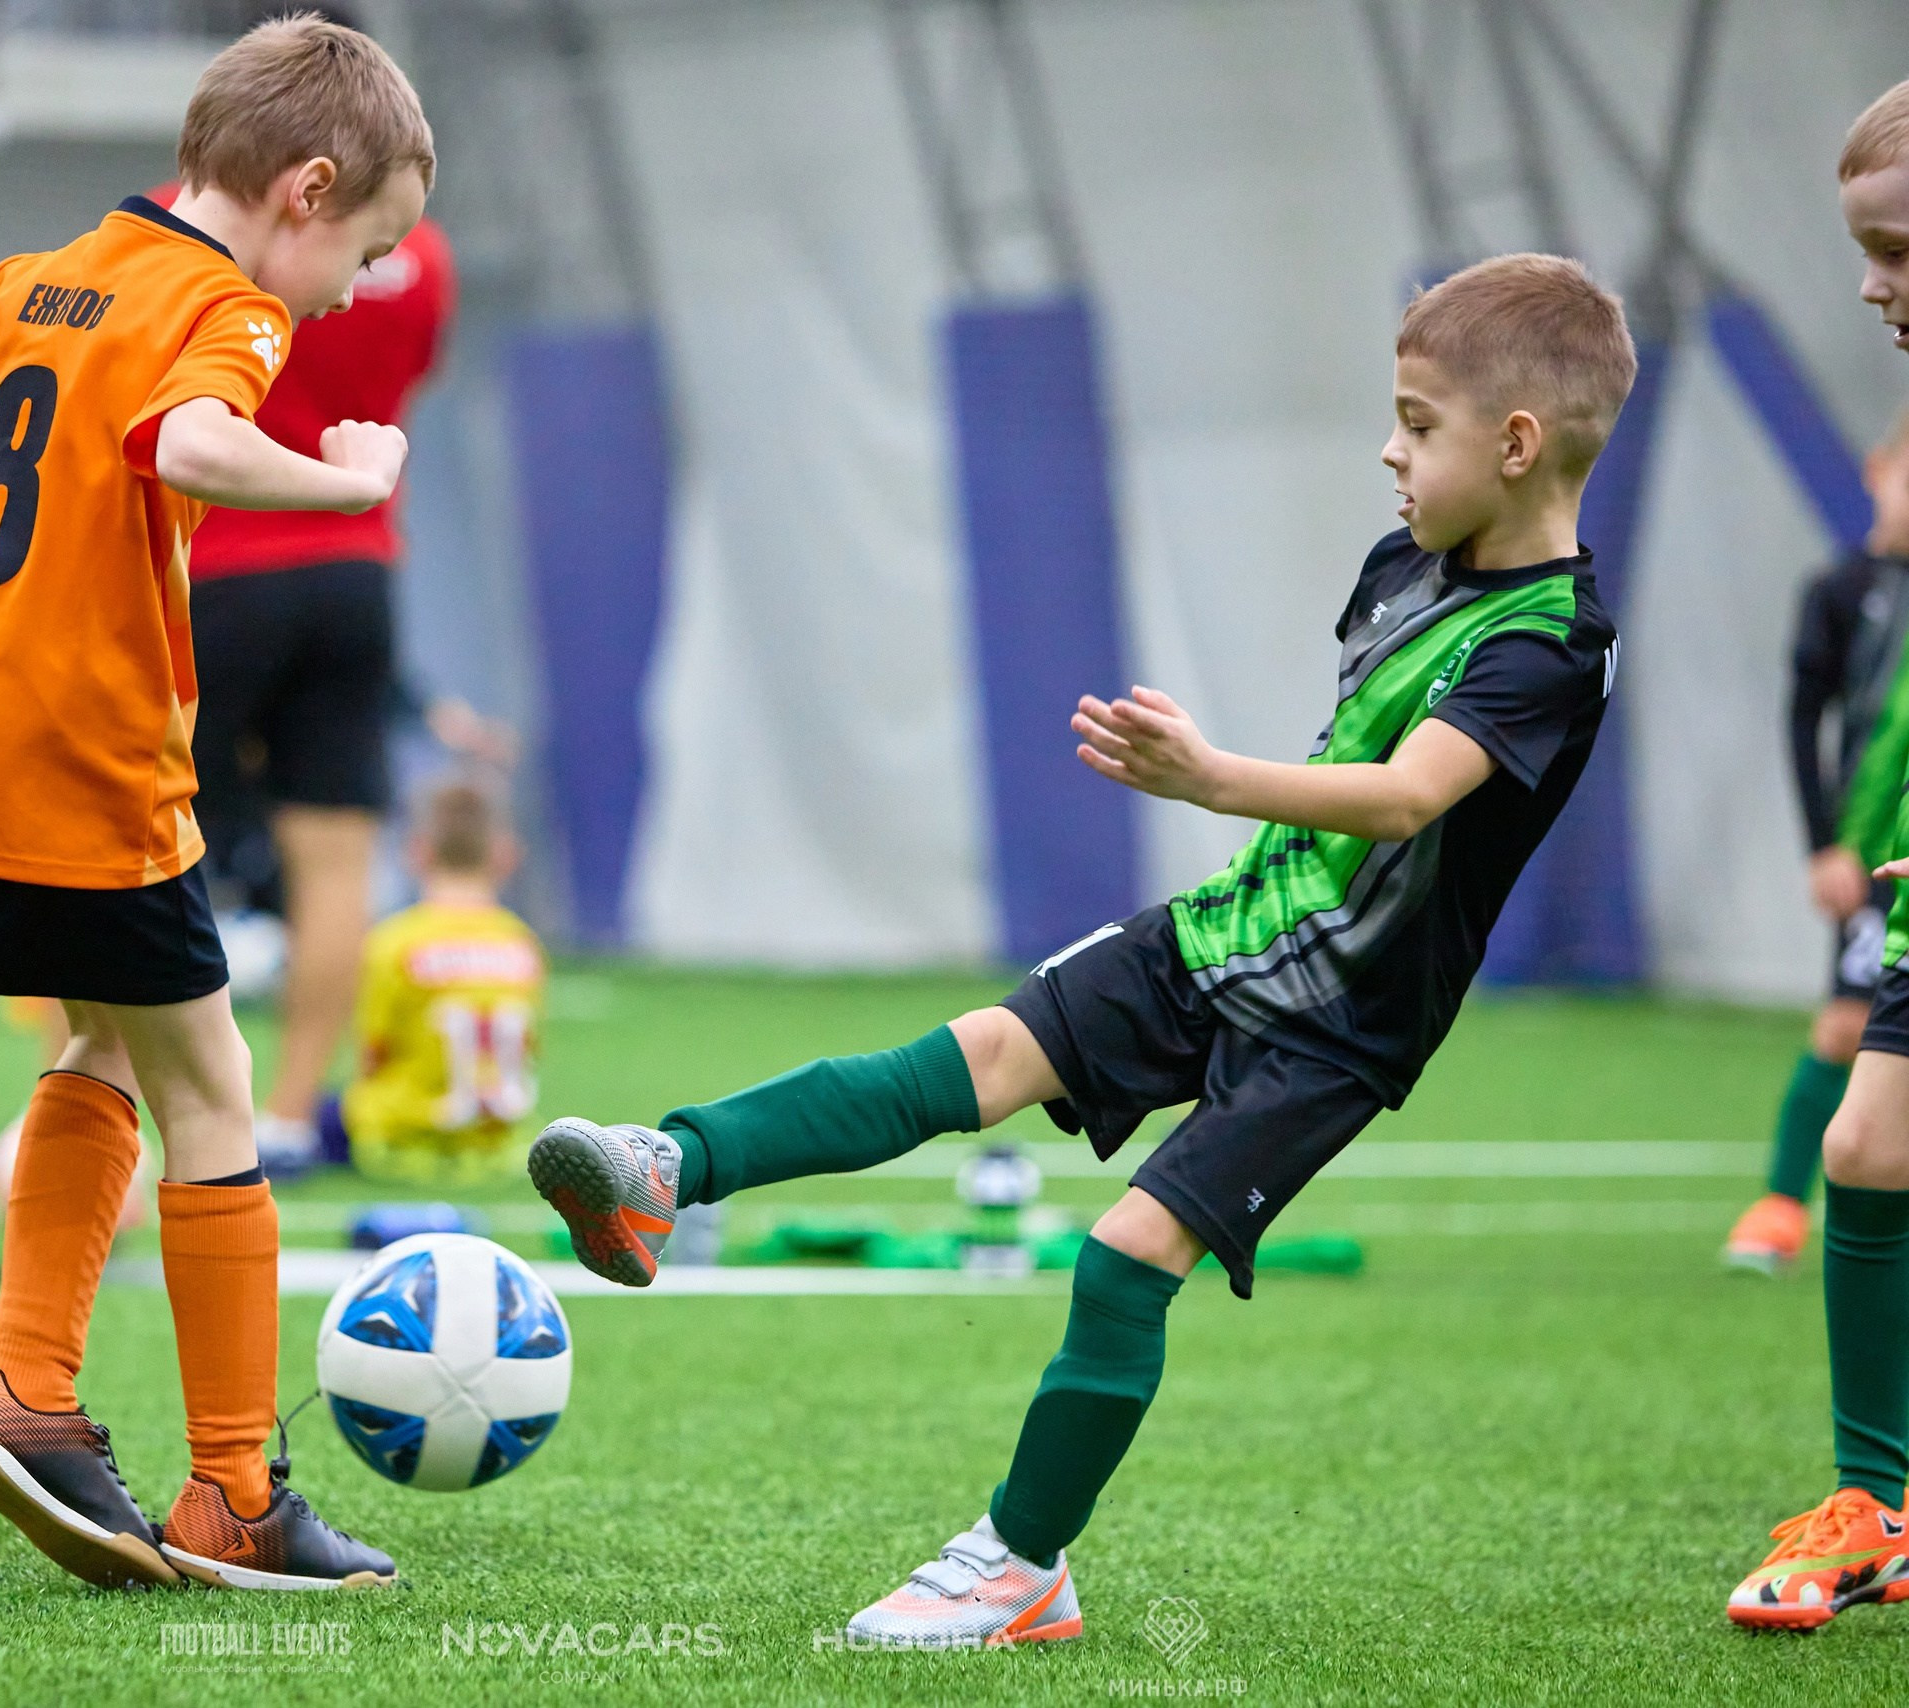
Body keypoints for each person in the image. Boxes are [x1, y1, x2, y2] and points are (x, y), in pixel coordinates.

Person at [528, 254, 1633, 1646]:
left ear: (1518, 443)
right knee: (967, 1057)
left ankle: (1020, 1565)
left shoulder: (1553, 642)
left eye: (1419, 424)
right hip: (1223, 930)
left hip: (1341, 1026)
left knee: (1123, 1259)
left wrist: (1207, 774)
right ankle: (664, 1169)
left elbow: (1413, 793)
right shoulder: (1404, 561)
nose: (1390, 449)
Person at [0, 14, 431, 1594]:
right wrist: (353, 480)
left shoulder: (26, 277)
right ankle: (234, 1495)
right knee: (215, 1087)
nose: (351, 290)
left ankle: (37, 1398)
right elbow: (193, 441)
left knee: (98, 1038)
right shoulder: (222, 308)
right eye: (367, 248)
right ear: (304, 188)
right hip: (86, 756)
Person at [169, 2, 463, 1175]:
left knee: (116, 836)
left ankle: (119, 1112)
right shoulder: (420, 253)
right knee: (334, 855)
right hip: (354, 563)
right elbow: (402, 387)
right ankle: (286, 1111)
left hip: (224, 561)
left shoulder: (214, 222)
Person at [1725, 78, 1909, 1630]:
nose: (1873, 285)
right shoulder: (1844, 593)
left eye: (1898, 248)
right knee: (1865, 1143)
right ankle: (1882, 1504)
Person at [1725, 416, 1909, 1273]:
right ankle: (1778, 1207)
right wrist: (1825, 845)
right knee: (1845, 1027)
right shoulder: (1840, 589)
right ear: (1877, 470)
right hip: (1877, 851)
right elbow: (1806, 719)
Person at [325, 777, 541, 1186]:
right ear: (504, 856)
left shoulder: (394, 942)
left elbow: (373, 1052)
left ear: (418, 852)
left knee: (321, 1114)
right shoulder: (522, 943)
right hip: (497, 1139)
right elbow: (528, 1048)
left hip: (401, 1137)